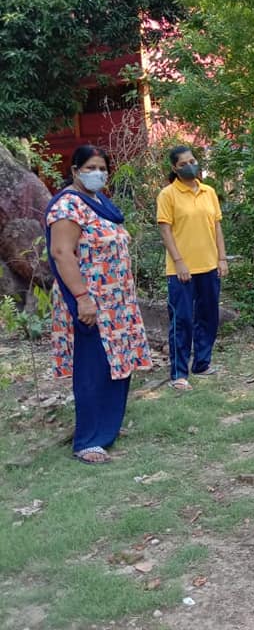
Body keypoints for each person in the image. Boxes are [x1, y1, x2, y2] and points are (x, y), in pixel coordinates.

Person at [45, 145, 152, 464]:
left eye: (103, 168)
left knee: (116, 365)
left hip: (116, 303)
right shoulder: (67, 206)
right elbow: (62, 253)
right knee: (93, 369)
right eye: (91, 168)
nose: (98, 174)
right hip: (89, 302)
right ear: (75, 171)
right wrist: (82, 298)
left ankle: (107, 430)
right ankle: (88, 441)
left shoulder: (101, 203)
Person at [157, 146, 228, 391]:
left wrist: (222, 258)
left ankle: (202, 363)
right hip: (181, 270)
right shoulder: (168, 195)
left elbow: (216, 227)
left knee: (208, 316)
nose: (190, 165)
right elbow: (165, 230)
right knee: (183, 319)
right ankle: (179, 373)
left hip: (209, 264)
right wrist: (179, 262)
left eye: (192, 160)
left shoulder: (209, 192)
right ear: (175, 168)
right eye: (183, 163)